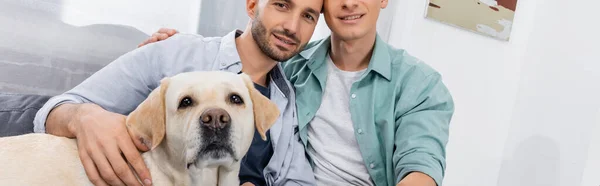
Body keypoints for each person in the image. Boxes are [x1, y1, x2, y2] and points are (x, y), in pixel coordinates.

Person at [147, 0, 455, 185]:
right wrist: (166, 52)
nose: (348, 2)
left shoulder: (420, 84)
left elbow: (421, 167)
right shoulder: (289, 65)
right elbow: (238, 59)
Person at [33, 0, 323, 186]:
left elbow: (298, 180)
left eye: (308, 16)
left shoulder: (288, 100)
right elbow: (56, 109)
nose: (292, 27)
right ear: (251, 5)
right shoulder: (174, 52)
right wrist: (83, 116)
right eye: (282, 5)